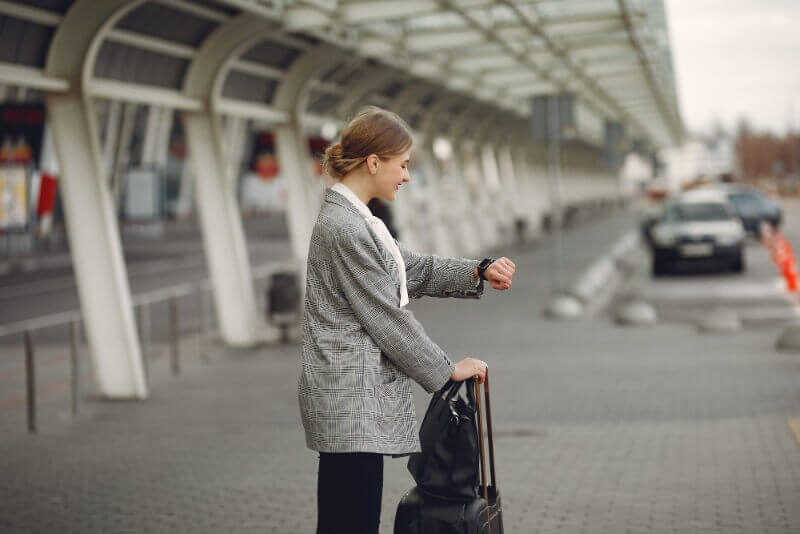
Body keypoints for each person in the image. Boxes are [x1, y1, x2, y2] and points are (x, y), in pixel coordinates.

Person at [298, 106, 516, 534]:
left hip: (353, 404)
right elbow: (385, 315)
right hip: (350, 403)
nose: (406, 176)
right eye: (402, 165)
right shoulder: (346, 227)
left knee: (349, 522)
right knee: (350, 524)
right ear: (373, 162)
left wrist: (477, 269)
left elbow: (410, 268)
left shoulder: (359, 219)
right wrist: (446, 370)